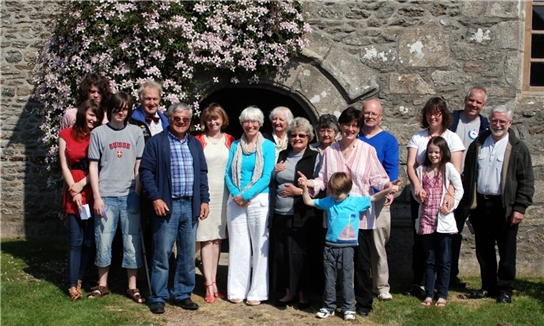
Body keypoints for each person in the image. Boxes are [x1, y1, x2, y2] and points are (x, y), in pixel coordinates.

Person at [298, 106, 397, 317]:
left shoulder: (368, 150)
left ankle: (362, 303)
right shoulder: (330, 152)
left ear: (359, 128)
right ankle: (336, 301)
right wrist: (308, 183)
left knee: (361, 263)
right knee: (335, 265)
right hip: (336, 219)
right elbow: (323, 181)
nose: (350, 129)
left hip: (359, 217)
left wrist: (388, 185)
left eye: (355, 126)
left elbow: (377, 177)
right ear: (340, 126)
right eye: (347, 124)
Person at [139, 103, 210, 314]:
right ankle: (158, 296)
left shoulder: (195, 144)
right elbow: (146, 173)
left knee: (188, 255)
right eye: (177, 118)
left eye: (185, 120)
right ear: (169, 119)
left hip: (190, 205)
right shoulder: (156, 142)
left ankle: (182, 294)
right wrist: (156, 198)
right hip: (167, 206)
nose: (181, 122)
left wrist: (204, 200)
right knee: (162, 254)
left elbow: (202, 174)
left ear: (190, 121)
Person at [300, 172, 397, 321]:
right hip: (330, 247)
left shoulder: (355, 202)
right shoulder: (329, 201)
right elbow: (309, 202)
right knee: (329, 278)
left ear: (348, 191)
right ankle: (328, 306)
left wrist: (387, 190)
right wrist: (305, 187)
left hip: (347, 247)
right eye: (333, 192)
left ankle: (348, 308)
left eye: (339, 193)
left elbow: (373, 198)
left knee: (346, 279)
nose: (336, 196)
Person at [463, 105, 534, 303]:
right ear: (490, 120)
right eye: (495, 120)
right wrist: (468, 203)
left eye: (502, 121)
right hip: (481, 205)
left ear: (510, 123)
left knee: (506, 251)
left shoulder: (518, 147)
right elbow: (468, 174)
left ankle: (505, 289)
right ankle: (488, 286)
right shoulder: (478, 143)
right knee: (483, 250)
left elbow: (526, 180)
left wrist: (520, 208)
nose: (498, 124)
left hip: (505, 207)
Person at [87, 92, 145, 303]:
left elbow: (139, 165)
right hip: (106, 196)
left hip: (129, 195)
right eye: (117, 108)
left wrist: (137, 193)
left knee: (131, 242)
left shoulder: (136, 133)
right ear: (110, 108)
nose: (121, 112)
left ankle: (132, 286)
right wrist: (97, 196)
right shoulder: (99, 133)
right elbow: (93, 166)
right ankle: (102, 284)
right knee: (103, 241)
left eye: (125, 108)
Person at [405, 97, 465, 297]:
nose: (433, 117)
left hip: (443, 199)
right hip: (423, 198)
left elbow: (455, 170)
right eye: (430, 113)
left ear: (444, 115)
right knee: (421, 241)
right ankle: (420, 282)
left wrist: (450, 193)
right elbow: (412, 165)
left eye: (437, 113)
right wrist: (417, 186)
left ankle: (443, 285)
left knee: (444, 243)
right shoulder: (418, 137)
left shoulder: (453, 138)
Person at [225, 106, 275, 306]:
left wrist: (246, 194)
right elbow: (228, 173)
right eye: (246, 121)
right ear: (242, 123)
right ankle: (236, 290)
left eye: (254, 121)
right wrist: (237, 195)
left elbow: (266, 176)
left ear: (260, 124)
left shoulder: (268, 146)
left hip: (259, 200)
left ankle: (257, 292)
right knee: (238, 246)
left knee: (259, 247)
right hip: (236, 200)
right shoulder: (235, 145)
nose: (250, 125)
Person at [270, 117, 319, 309]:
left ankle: (303, 294)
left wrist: (299, 191)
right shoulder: (283, 154)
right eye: (294, 135)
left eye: (301, 135)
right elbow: (274, 181)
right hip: (280, 213)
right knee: (282, 254)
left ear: (308, 137)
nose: (297, 138)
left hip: (301, 215)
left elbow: (321, 186)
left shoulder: (314, 157)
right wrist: (274, 172)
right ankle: (287, 292)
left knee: (299, 255)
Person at [59, 99, 104, 301]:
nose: (94, 119)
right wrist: (74, 191)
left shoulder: (98, 136)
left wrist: (83, 185)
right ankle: (71, 283)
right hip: (73, 189)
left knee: (89, 240)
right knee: (75, 240)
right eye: (91, 114)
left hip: (91, 187)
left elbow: (101, 165)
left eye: (97, 116)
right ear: (82, 113)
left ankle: (80, 278)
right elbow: (64, 165)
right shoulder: (65, 135)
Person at [412, 137, 463, 307]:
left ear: (443, 153)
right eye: (431, 152)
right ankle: (428, 293)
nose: (433, 155)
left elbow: (459, 187)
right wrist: (418, 194)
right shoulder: (421, 170)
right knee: (429, 259)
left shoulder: (447, 168)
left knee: (444, 259)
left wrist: (451, 204)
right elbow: (415, 190)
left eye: (437, 152)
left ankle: (442, 294)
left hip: (443, 220)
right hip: (427, 219)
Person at [448, 86, 490, 289]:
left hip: (470, 185)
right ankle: (435, 274)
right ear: (465, 99)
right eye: (471, 100)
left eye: (479, 102)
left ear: (483, 106)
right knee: (441, 229)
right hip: (447, 181)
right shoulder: (451, 120)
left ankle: (451, 275)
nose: (474, 105)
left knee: (456, 229)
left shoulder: (486, 127)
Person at [358, 99, 399, 301]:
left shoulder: (388, 140)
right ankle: (358, 283)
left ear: (380, 116)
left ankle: (381, 286)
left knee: (378, 244)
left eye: (374, 114)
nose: (370, 117)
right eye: (367, 113)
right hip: (357, 199)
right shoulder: (354, 136)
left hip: (379, 199)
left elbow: (391, 168)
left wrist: (390, 191)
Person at [194, 103, 235, 304]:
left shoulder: (230, 140)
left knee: (217, 239)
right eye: (209, 118)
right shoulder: (198, 140)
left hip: (224, 193)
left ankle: (214, 281)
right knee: (205, 238)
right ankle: (208, 283)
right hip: (205, 193)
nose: (212, 122)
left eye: (216, 118)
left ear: (222, 119)